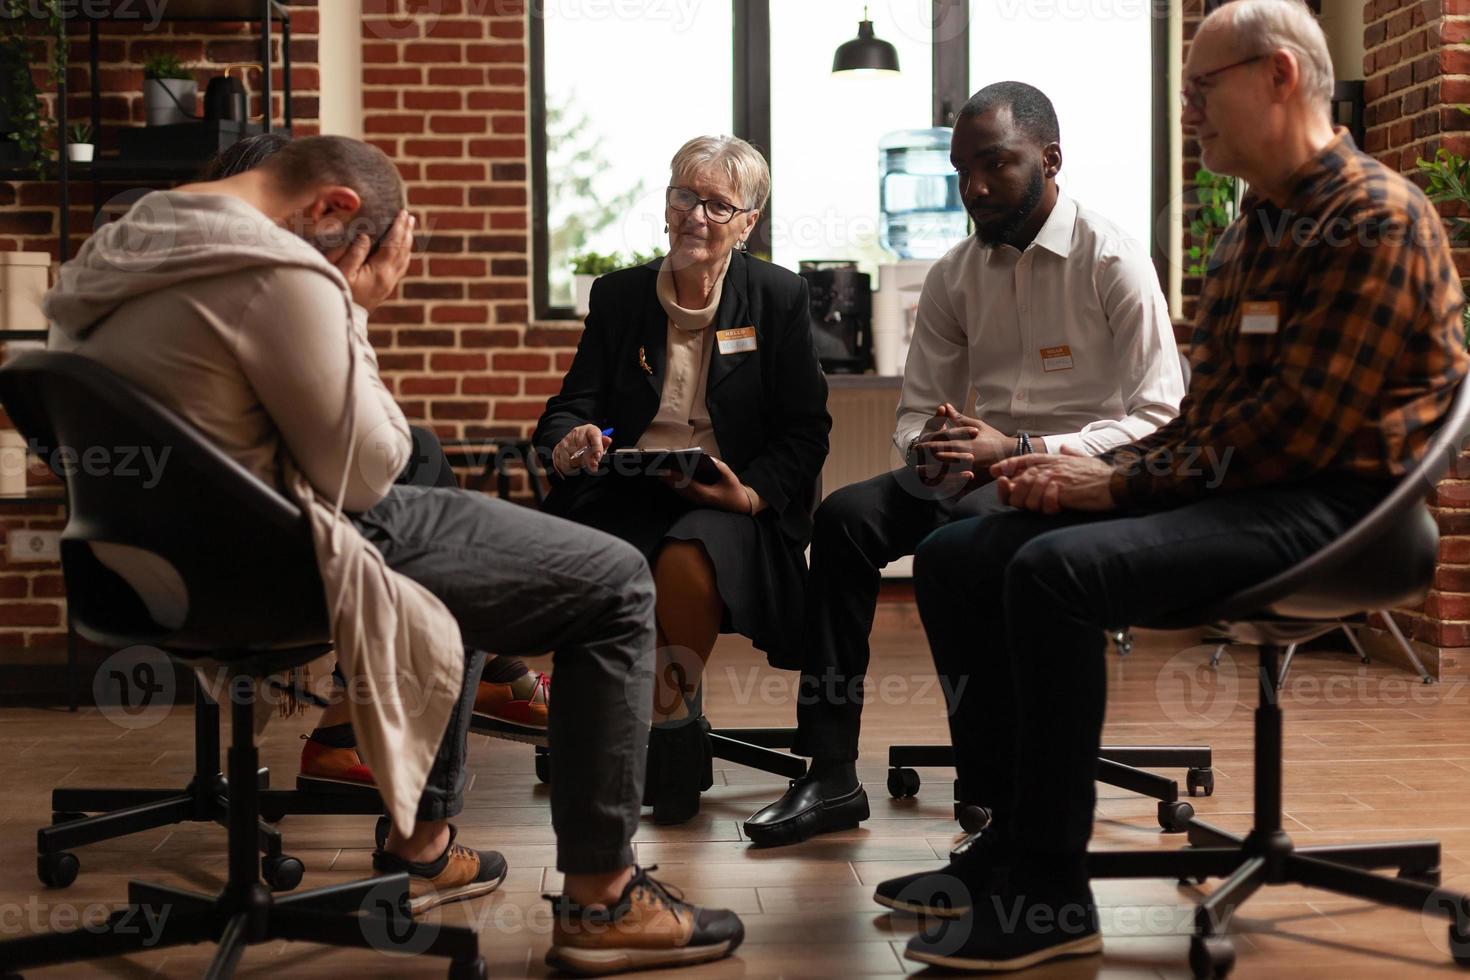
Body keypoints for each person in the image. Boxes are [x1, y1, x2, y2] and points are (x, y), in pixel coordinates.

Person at [44, 134, 743, 974]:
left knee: (465, 520)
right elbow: (371, 469)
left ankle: (425, 841)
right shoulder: (279, 270)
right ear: (338, 211)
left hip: (148, 567)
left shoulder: (126, 246)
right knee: (615, 581)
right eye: (382, 252)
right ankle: (602, 900)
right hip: (283, 556)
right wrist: (354, 296)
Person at [872, 1, 1470, 972]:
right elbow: (1208, 422)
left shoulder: (1374, 217)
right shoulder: (1250, 233)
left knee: (1054, 573)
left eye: (1202, 88)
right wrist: (1084, 468)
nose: (1190, 110)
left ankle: (1053, 894)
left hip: (1342, 510)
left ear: (1278, 77)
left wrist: (1110, 489)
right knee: (954, 556)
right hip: (1246, 491)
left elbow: (1297, 434)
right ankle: (1008, 838)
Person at [743, 81, 1186, 847]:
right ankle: (829, 770)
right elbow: (919, 407)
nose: (974, 188)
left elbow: (1160, 417)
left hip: (1082, 478)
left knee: (961, 548)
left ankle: (988, 803)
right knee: (845, 519)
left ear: (1051, 159)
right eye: (961, 172)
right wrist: (933, 446)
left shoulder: (1112, 259)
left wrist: (1021, 451)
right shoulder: (955, 274)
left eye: (995, 165)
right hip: (982, 467)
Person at [198, 134, 552, 793]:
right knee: (439, 525)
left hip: (170, 552)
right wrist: (350, 308)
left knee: (420, 461)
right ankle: (398, 757)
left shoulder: (185, 286)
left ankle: (388, 715)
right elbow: (359, 464)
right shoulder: (266, 296)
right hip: (253, 558)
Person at [533, 134, 831, 825]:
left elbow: (804, 430)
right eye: (684, 197)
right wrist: (571, 442)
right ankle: (631, 731)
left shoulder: (778, 297)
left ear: (748, 222)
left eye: (718, 205)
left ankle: (669, 726)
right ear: (667, 204)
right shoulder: (620, 296)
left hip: (728, 497)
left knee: (686, 559)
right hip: (625, 484)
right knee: (596, 559)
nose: (696, 215)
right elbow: (570, 407)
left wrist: (749, 491)